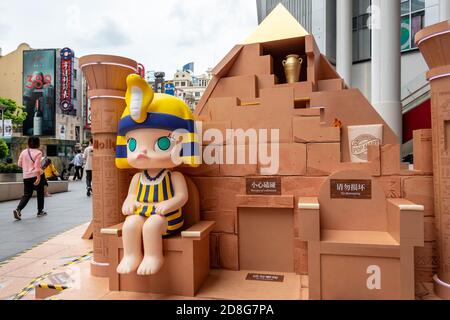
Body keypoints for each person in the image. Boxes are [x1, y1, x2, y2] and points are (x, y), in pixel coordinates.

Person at [14, 136, 47, 220]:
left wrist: (27, 167)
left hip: (26, 176)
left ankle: (18, 209)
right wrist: (38, 177)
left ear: (28, 143)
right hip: (36, 175)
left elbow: (19, 164)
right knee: (40, 193)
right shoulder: (38, 152)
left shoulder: (24, 152)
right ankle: (40, 211)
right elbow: (37, 166)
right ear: (38, 143)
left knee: (27, 194)